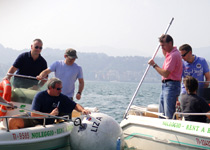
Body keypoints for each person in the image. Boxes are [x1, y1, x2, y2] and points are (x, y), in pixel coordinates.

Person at [8, 77, 90, 130]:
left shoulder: (61, 97)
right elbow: (33, 114)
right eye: (58, 89)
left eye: (61, 88)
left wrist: (83, 110)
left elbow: (75, 105)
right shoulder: (40, 96)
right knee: (12, 121)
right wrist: (50, 115)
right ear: (50, 88)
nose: (60, 91)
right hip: (33, 119)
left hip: (46, 124)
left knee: (40, 129)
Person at [148, 34, 182, 119]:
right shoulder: (170, 54)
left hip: (171, 85)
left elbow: (166, 73)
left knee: (168, 114)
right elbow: (164, 53)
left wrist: (154, 65)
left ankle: (170, 129)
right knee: (162, 113)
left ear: (170, 43)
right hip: (166, 86)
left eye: (163, 46)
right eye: (161, 46)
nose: (162, 48)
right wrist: (162, 40)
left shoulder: (173, 55)